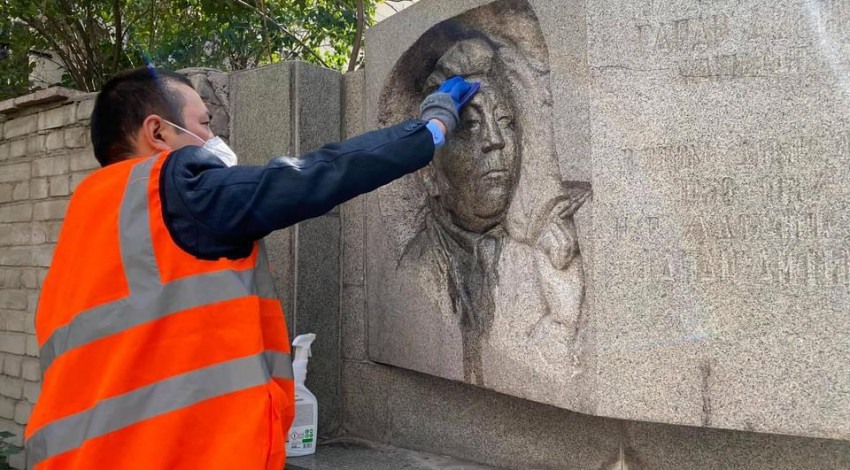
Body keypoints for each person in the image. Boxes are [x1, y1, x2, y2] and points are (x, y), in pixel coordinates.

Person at [23, 66, 478, 470]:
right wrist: (430, 130)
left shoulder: (87, 218)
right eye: (204, 124)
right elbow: (313, 176)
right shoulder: (175, 192)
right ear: (157, 132)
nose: (214, 139)